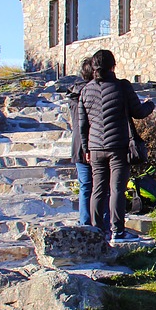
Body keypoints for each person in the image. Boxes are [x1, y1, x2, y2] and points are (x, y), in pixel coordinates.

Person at [77, 49, 155, 243]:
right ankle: (117, 232)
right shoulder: (122, 86)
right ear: (113, 66)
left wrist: (86, 149)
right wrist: (150, 105)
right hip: (118, 146)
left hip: (95, 148)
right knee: (117, 189)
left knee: (98, 189)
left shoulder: (86, 90)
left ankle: (97, 233)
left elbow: (82, 125)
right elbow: (138, 112)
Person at [65, 55, 95, 225]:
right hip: (95, 143)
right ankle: (102, 224)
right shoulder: (92, 92)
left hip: (77, 144)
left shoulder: (73, 93)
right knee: (100, 187)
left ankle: (84, 222)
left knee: (85, 186)